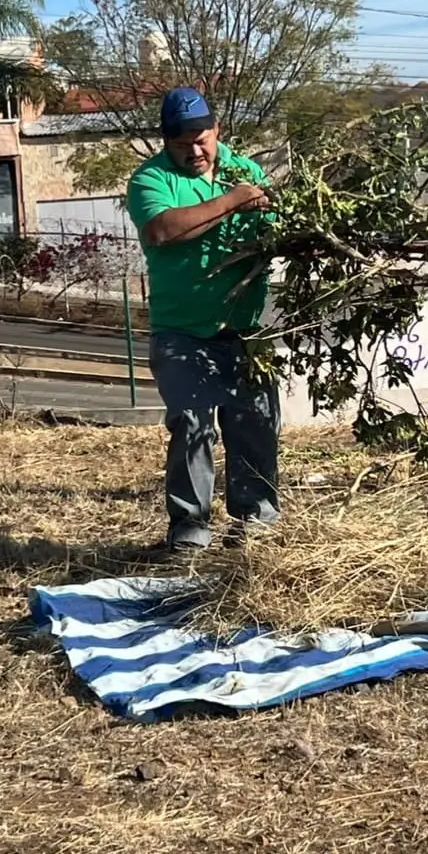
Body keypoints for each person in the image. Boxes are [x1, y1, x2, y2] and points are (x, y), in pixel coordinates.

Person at [126, 87, 279, 552]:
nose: (194, 150)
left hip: (245, 328)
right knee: (193, 423)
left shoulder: (244, 170)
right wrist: (232, 200)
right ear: (165, 142)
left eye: (201, 138)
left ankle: (257, 519)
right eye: (181, 144)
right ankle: (190, 528)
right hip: (182, 330)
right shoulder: (150, 180)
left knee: (256, 420)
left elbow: (270, 228)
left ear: (217, 130)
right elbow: (163, 229)